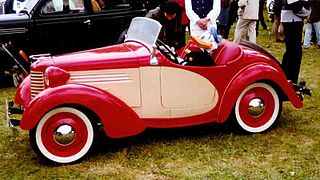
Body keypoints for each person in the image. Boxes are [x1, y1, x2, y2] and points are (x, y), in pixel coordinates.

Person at [280, 0, 309, 84]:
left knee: (291, 51)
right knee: (295, 52)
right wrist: (307, 12)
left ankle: (286, 78)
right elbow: (296, 6)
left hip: (291, 19)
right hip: (292, 21)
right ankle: (291, 79)